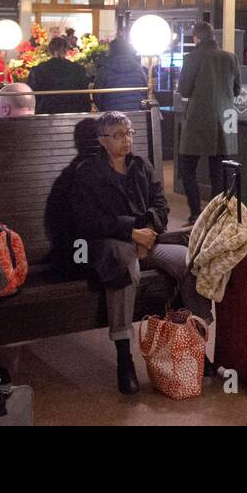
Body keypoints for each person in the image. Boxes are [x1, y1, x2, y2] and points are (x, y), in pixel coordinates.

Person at [72, 111, 212, 394]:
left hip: (149, 241)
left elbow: (161, 205)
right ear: (102, 140)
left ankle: (195, 341)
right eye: (118, 135)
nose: (126, 140)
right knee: (126, 270)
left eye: (129, 133)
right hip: (111, 244)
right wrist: (130, 232)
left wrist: (149, 230)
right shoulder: (87, 172)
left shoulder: (141, 166)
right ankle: (124, 358)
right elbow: (87, 221)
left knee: (189, 263)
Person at [177, 21, 242, 225]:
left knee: (187, 167)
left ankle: (196, 212)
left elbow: (185, 90)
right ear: (213, 36)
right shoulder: (231, 57)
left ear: (196, 37)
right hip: (226, 119)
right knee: (219, 171)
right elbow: (237, 90)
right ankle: (216, 215)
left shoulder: (191, 58)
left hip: (197, 118)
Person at [27, 36, 91, 114]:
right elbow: (85, 97)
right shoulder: (78, 69)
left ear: (49, 51)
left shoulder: (38, 70)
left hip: (45, 112)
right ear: (66, 50)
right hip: (73, 112)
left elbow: (30, 95)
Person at [93, 37, 148, 113]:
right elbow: (145, 91)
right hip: (137, 113)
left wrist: (104, 109)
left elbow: (97, 95)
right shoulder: (138, 68)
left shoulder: (105, 69)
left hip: (113, 116)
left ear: (111, 50)